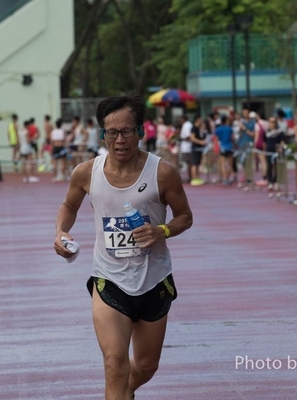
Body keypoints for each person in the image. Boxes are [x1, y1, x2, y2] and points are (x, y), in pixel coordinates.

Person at [53, 92, 193, 399]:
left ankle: (125, 391)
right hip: (109, 280)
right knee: (114, 363)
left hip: (153, 279)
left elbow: (185, 217)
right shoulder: (86, 172)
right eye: (111, 132)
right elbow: (69, 206)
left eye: (127, 131)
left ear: (141, 131)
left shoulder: (163, 173)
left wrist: (162, 230)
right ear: (102, 133)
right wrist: (61, 232)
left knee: (144, 366)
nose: (120, 140)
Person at [264, 117, 286, 190]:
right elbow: (264, 142)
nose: (272, 124)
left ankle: (276, 181)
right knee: (269, 167)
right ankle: (270, 182)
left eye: (274, 122)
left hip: (276, 152)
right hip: (269, 151)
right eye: (271, 122)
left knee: (277, 167)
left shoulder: (279, 132)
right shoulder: (266, 132)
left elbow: (282, 141)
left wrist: (281, 147)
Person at [214, 115, 235, 185]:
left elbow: (216, 139)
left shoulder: (218, 129)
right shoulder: (230, 129)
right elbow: (232, 138)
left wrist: (216, 148)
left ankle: (225, 179)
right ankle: (227, 178)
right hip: (229, 147)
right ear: (226, 121)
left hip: (222, 147)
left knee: (223, 164)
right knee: (230, 164)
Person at [189, 115, 207, 186]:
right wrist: (200, 142)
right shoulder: (194, 128)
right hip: (195, 148)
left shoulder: (199, 128)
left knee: (198, 163)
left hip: (199, 148)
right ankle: (194, 178)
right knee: (194, 163)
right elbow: (192, 138)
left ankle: (197, 177)